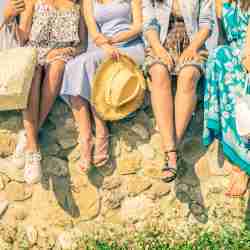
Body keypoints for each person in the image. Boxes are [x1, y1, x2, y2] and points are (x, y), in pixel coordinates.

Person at [4, 0, 86, 184]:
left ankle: (28, 136)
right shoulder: (33, 0)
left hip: (60, 54)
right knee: (32, 70)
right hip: (34, 52)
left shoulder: (78, 4)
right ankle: (33, 150)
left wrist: (67, 50)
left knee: (56, 67)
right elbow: (22, 37)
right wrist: (8, 18)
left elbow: (82, 44)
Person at [60, 0, 145, 173]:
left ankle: (101, 129)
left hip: (130, 47)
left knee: (90, 63)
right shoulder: (89, 2)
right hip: (104, 48)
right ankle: (85, 136)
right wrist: (106, 45)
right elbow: (94, 31)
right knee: (72, 66)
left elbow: (138, 26)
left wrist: (114, 40)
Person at [142, 0, 218, 182]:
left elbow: (206, 24)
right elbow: (149, 24)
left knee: (188, 75)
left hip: (193, 46)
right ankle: (172, 152)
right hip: (161, 45)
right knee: (159, 73)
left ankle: (170, 150)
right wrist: (159, 50)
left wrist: (192, 48)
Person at [203, 0, 250, 197]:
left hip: (247, 52)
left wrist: (246, 56)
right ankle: (240, 158)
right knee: (219, 55)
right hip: (234, 55)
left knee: (229, 67)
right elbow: (218, 36)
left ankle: (242, 164)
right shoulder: (220, 2)